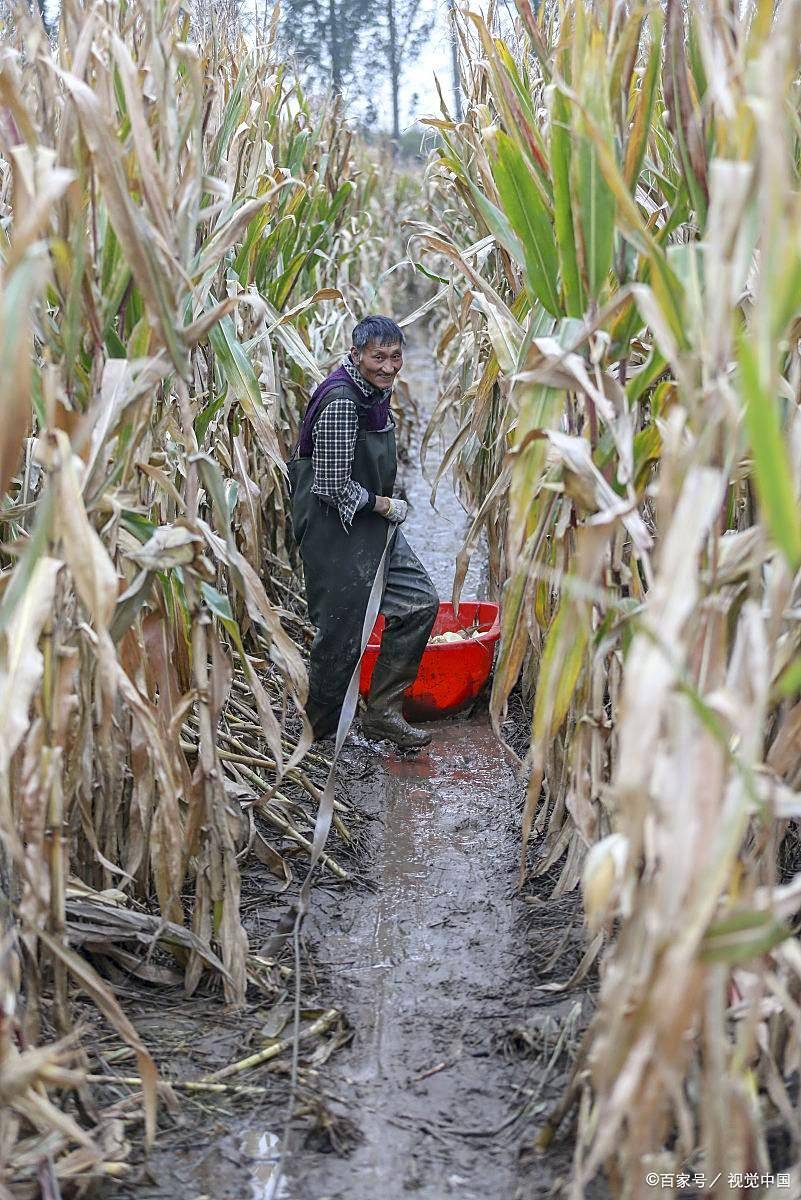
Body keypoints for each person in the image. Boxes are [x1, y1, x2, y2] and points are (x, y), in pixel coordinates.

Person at [289, 316, 438, 750]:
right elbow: (331, 485)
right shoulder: (341, 402)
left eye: (395, 357)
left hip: (370, 526)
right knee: (340, 634)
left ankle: (383, 714)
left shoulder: (373, 391)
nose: (390, 367)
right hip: (334, 529)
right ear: (356, 356)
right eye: (379, 357)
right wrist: (385, 505)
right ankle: (317, 735)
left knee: (418, 603)